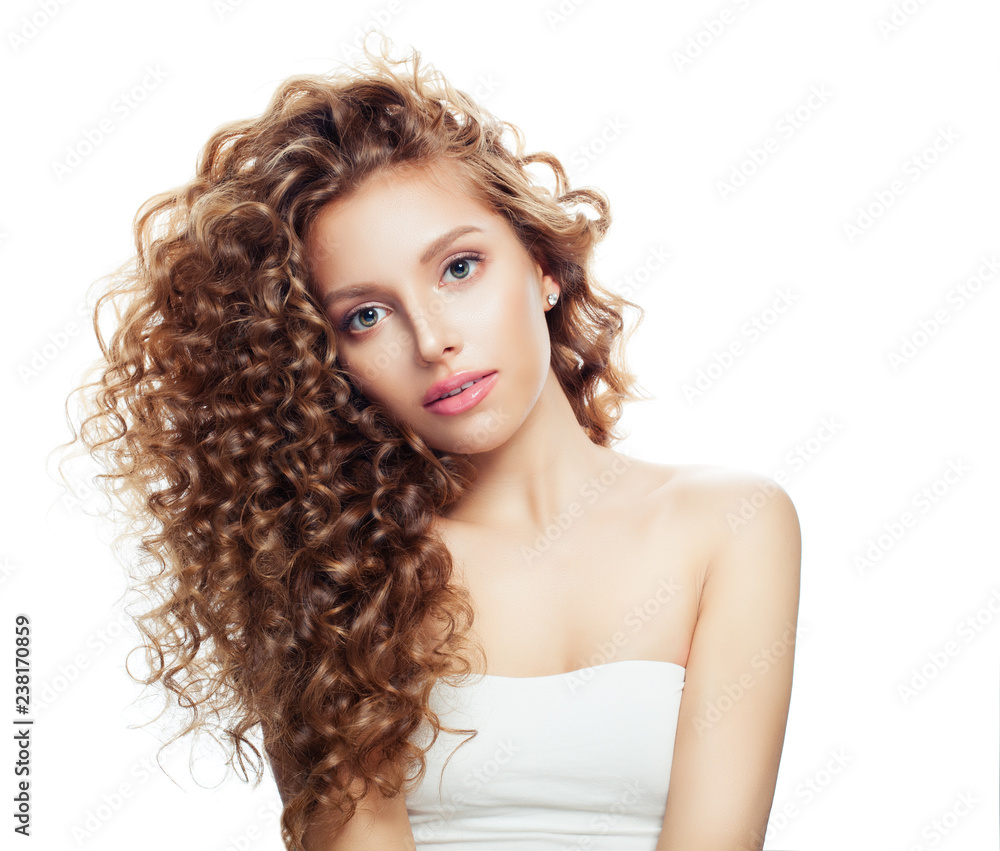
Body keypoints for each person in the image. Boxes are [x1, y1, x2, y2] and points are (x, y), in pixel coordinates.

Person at [62, 34, 800, 851]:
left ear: (543, 264)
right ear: (326, 359)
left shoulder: (730, 524)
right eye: (365, 315)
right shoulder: (333, 568)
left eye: (458, 268)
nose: (431, 338)